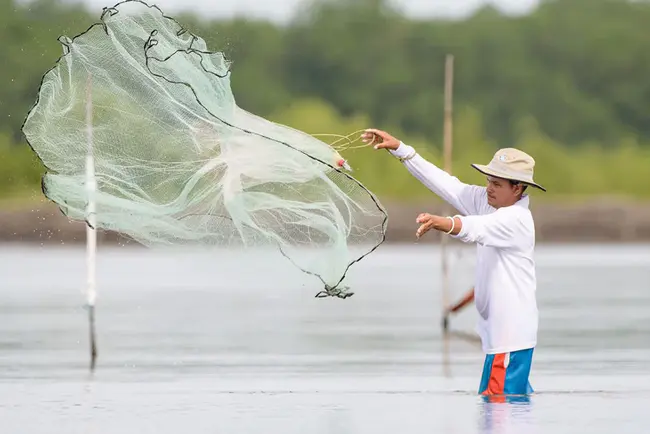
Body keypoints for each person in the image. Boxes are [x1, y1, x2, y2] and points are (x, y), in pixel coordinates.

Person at [361, 128, 545, 397]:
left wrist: (442, 223)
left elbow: (474, 228)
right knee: (507, 408)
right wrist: (402, 150)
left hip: (509, 339)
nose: (488, 188)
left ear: (517, 188)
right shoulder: (490, 203)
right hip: (502, 339)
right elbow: (447, 185)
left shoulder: (515, 220)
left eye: (497, 184)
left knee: (497, 409)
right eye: (489, 181)